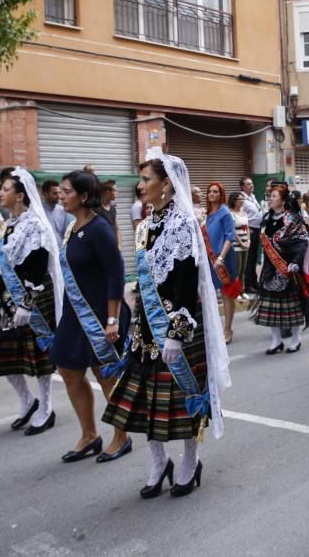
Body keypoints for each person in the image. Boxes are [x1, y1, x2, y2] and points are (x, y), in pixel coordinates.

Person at [102, 151, 230, 498]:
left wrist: (176, 334)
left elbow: (186, 283)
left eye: (146, 179)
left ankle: (190, 460)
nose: (140, 185)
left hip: (176, 326)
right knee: (145, 402)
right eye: (140, 179)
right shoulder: (144, 226)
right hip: (145, 328)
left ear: (167, 184)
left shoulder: (183, 224)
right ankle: (158, 463)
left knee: (182, 397)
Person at [51, 170, 132, 462]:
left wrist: (112, 319)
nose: (61, 195)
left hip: (101, 313)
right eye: (61, 190)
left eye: (67, 191)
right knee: (68, 368)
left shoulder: (99, 228)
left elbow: (116, 272)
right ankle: (89, 435)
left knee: (105, 374)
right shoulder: (73, 227)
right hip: (76, 312)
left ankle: (121, 436)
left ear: (84, 196)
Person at [0, 169, 63, 434]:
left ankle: (46, 406)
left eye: (5, 189)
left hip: (32, 298)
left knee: (38, 357)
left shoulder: (35, 224)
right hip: (5, 298)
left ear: (20, 195)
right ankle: (27, 400)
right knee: (1, 354)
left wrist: (26, 303)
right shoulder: (9, 224)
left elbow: (37, 268)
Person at [252, 184, 308, 354]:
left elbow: (301, 241)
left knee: (293, 306)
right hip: (270, 267)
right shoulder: (266, 218)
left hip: (288, 267)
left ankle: (296, 339)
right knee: (271, 307)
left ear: (283, 200)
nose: (270, 199)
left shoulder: (292, 218)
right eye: (269, 196)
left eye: (274, 196)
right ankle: (276, 341)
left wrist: (296, 261)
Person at [203, 182, 242, 344]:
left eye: (215, 192)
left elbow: (229, 237)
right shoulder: (208, 213)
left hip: (223, 259)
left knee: (227, 295)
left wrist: (221, 258)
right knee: (215, 294)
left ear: (221, 194)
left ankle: (228, 329)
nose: (212, 194)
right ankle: (218, 329)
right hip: (210, 259)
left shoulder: (225, 212)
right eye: (210, 191)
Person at [239, 177, 263, 297]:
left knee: (253, 259)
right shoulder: (241, 199)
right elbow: (240, 215)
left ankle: (254, 282)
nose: (251, 186)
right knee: (249, 260)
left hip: (257, 230)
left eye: (252, 183)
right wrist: (248, 229)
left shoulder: (252, 197)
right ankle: (248, 285)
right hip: (250, 231)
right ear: (242, 187)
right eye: (248, 184)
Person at [227, 192, 251, 297]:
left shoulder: (244, 213)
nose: (242, 201)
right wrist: (241, 243)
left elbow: (247, 228)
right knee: (236, 270)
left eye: (243, 199)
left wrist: (248, 241)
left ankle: (241, 291)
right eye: (240, 199)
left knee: (243, 270)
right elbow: (232, 230)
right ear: (234, 201)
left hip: (246, 245)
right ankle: (235, 292)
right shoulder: (230, 214)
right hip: (236, 246)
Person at [96, 180, 123, 250]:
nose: (117, 193)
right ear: (108, 193)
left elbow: (117, 228)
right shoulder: (96, 210)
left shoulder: (113, 209)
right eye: (115, 191)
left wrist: (119, 245)